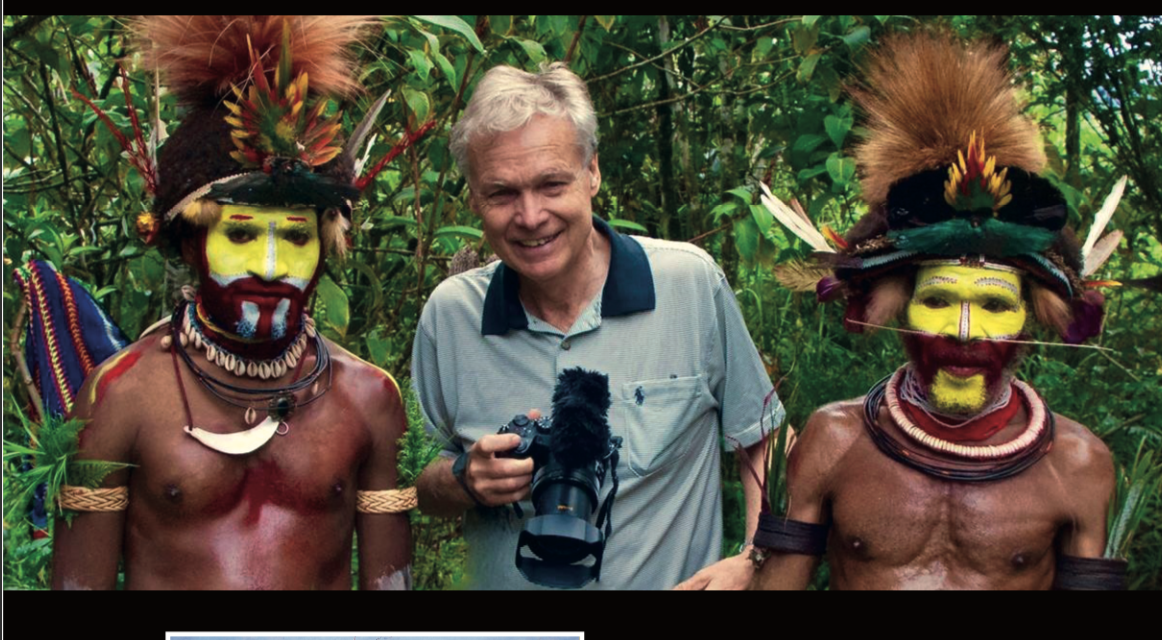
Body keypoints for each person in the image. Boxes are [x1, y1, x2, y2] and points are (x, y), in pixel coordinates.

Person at [52, 16, 417, 590]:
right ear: (191, 242)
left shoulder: (370, 398)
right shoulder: (120, 396)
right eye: (241, 235)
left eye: (296, 238)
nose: (270, 268)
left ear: (324, 246)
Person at [751, 32, 1125, 590]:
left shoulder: (1078, 465)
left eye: (995, 304)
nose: (965, 331)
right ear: (898, 308)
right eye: (938, 299)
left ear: (1028, 318)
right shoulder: (833, 441)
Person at [412, 63, 785, 589]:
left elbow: (765, 440)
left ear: (592, 173)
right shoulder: (451, 316)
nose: (530, 215)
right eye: (501, 193)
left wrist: (754, 559)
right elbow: (415, 485)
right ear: (474, 198)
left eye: (551, 183)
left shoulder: (688, 285)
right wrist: (463, 478)